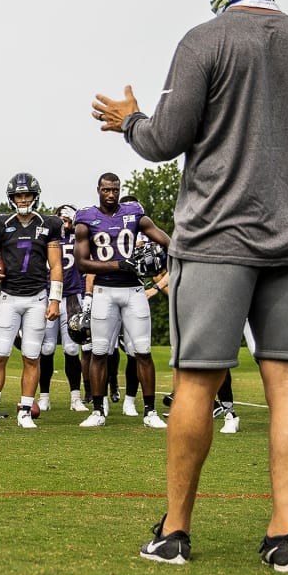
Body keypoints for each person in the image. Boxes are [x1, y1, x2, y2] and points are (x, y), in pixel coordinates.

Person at [92, 0, 288, 572]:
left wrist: (129, 121)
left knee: (197, 381)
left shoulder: (205, 40)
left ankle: (175, 531)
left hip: (215, 239)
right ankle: (284, 537)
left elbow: (162, 139)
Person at [74, 173, 171, 429]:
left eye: (115, 190)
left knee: (143, 351)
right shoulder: (85, 219)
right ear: (98, 190)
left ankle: (149, 411)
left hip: (134, 292)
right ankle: (97, 410)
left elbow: (165, 240)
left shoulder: (134, 212)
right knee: (99, 352)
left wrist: (170, 255)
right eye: (106, 190)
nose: (111, 194)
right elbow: (81, 263)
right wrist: (118, 264)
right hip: (104, 292)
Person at [0, 173, 64, 429]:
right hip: (9, 298)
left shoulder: (49, 224)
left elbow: (56, 266)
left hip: (37, 299)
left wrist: (54, 300)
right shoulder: (1, 223)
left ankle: (24, 410)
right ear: (12, 198)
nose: (23, 199)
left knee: (32, 357)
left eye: (27, 195)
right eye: (19, 195)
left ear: (35, 196)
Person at [40, 204, 90, 413]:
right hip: (50, 295)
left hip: (72, 296)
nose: (64, 222)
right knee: (47, 348)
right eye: (61, 218)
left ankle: (75, 398)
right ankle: (44, 397)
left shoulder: (79, 238)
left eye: (68, 219)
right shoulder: (47, 239)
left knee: (71, 348)